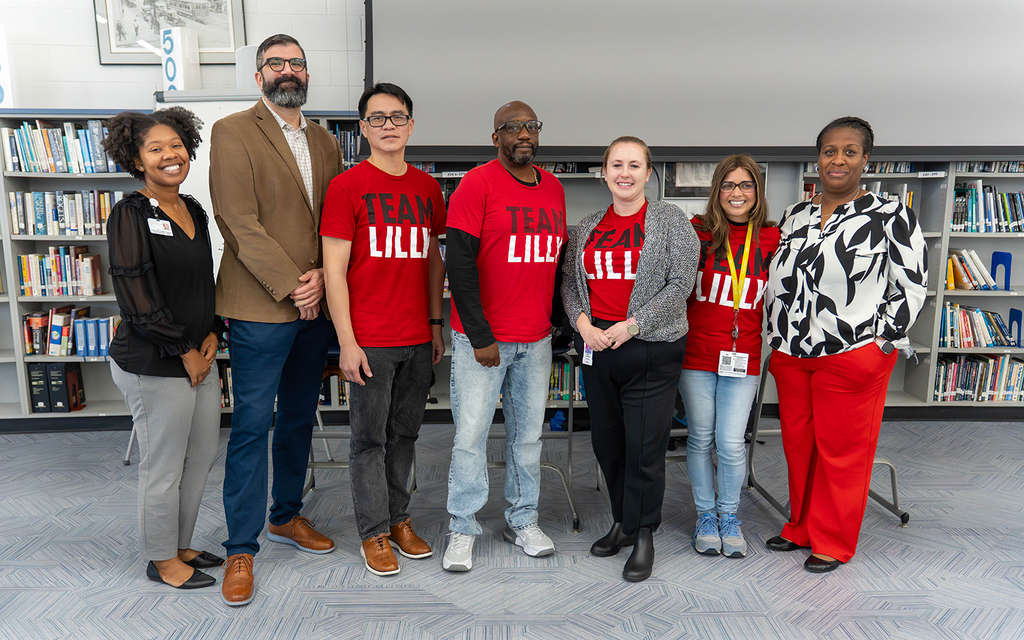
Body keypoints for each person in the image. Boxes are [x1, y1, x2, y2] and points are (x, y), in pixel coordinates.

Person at [209, 34, 345, 606]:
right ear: (258, 74)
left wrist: (319, 279)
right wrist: (295, 283)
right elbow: (237, 220)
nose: (287, 70)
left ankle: (285, 515)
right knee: (250, 427)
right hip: (261, 307)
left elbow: (334, 219)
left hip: (315, 304)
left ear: (307, 72)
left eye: (297, 62)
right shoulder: (233, 131)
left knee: (297, 419)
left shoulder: (326, 140)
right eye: (276, 63)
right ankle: (241, 547)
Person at [764, 116, 928, 573]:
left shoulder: (891, 215)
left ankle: (833, 541)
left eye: (849, 151)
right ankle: (800, 526)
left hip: (851, 354)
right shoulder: (797, 214)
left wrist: (882, 344)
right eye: (829, 151)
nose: (838, 160)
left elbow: (912, 289)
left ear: (866, 159)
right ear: (818, 158)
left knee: (842, 452)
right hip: (792, 354)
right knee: (800, 447)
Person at [321, 82, 447, 577]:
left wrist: (436, 322)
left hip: (417, 335)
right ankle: (373, 533)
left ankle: (399, 519)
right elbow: (334, 271)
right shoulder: (346, 187)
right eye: (377, 118)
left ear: (411, 125)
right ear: (363, 129)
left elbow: (433, 261)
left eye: (397, 117)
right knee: (368, 441)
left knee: (406, 435)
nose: (388, 125)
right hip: (369, 338)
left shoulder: (427, 187)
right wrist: (347, 342)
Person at [562, 136, 699, 581]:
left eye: (634, 165)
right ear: (604, 172)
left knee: (643, 448)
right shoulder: (584, 228)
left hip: (650, 347)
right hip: (597, 348)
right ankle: (622, 521)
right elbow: (568, 284)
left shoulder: (671, 221)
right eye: (616, 164)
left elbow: (680, 284)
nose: (625, 173)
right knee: (608, 442)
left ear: (648, 172)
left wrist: (632, 324)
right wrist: (583, 325)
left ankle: (644, 535)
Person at [442, 101, 567, 572]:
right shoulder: (476, 184)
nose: (523, 134)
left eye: (531, 126)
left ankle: (523, 519)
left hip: (535, 341)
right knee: (470, 437)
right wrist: (479, 335)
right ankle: (462, 525)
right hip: (484, 341)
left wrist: (555, 321)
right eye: (512, 127)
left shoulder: (553, 188)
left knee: (528, 438)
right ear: (495, 137)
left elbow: (556, 261)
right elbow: (459, 264)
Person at [103, 107, 223, 590]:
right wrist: (184, 350)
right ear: (136, 158)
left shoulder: (192, 208)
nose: (170, 155)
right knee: (165, 462)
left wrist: (213, 330)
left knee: (200, 456)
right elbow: (136, 296)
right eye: (156, 149)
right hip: (153, 361)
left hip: (200, 351)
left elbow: (200, 282)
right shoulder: (129, 213)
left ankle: (180, 544)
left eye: (176, 145)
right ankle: (160, 558)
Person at [677, 154, 780, 559]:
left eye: (746, 185)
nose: (737, 193)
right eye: (729, 185)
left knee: (731, 442)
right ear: (716, 191)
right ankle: (705, 517)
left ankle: (729, 516)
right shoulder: (696, 232)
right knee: (701, 439)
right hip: (697, 354)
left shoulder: (772, 238)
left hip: (744, 355)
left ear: (757, 192)